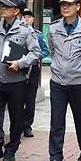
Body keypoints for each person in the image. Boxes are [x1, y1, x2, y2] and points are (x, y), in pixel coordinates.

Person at [0, 0, 41, 161]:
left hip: (17, 81)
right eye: (2, 6)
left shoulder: (25, 30)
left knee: (16, 118)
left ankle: (11, 149)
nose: (3, 9)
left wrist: (20, 63)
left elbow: (36, 53)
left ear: (16, 11)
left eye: (7, 7)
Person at [45, 0, 81, 161]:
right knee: (56, 120)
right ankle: (55, 157)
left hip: (78, 83)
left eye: (69, 4)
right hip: (58, 81)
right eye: (62, 4)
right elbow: (52, 51)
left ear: (77, 7)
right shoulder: (53, 29)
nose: (65, 7)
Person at [21, 8, 49, 138]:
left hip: (32, 70)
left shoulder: (37, 35)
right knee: (17, 98)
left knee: (30, 99)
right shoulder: (17, 32)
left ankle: (27, 125)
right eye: (24, 17)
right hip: (18, 69)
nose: (26, 19)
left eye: (29, 17)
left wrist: (37, 57)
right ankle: (17, 124)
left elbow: (45, 50)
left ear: (33, 19)